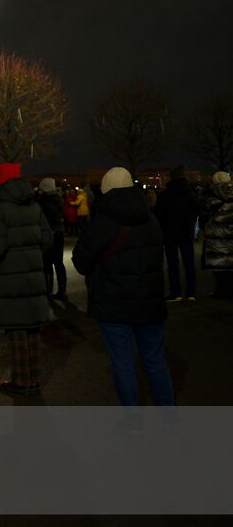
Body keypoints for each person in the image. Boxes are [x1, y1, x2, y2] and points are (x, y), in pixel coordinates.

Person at [70, 166, 174, 410]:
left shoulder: (103, 221)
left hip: (113, 302)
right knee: (155, 359)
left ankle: (132, 420)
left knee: (123, 363)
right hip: (150, 300)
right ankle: (169, 414)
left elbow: (81, 262)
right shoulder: (151, 218)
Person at [0, 163, 51, 397]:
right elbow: (47, 239)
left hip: (9, 276)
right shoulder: (34, 206)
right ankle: (33, 379)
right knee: (32, 329)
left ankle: (22, 381)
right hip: (33, 275)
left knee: (16, 332)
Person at [154, 166, 202, 301]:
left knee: (172, 263)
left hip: (170, 232)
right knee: (189, 263)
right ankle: (191, 292)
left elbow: (158, 214)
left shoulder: (165, 195)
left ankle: (176, 292)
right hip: (186, 231)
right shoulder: (190, 194)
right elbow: (198, 210)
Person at [201, 172, 233, 298]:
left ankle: (221, 291)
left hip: (217, 236)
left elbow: (205, 214)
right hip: (230, 235)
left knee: (218, 266)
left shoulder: (212, 197)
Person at [37, 178, 68, 300]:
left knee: (47, 263)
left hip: (47, 234)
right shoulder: (59, 199)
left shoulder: (42, 202)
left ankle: (48, 291)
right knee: (59, 262)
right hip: (58, 233)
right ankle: (62, 290)